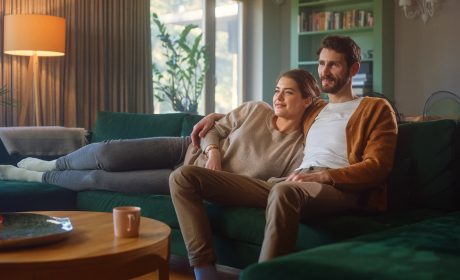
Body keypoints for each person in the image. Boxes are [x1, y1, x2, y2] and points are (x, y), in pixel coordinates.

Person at [169, 35, 398, 280]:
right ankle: (205, 272)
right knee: (183, 177)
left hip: (337, 187)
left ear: (354, 68)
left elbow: (377, 167)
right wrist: (217, 116)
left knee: (284, 191)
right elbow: (281, 108)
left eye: (334, 64)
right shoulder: (316, 108)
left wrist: (323, 176)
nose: (325, 71)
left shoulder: (375, 109)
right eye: (321, 63)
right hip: (290, 182)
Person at [0, 69, 320, 195]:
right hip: (185, 149)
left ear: (308, 99)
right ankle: (51, 164)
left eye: (288, 93)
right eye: (277, 90)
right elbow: (215, 130)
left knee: (99, 180)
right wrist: (214, 153)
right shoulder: (256, 110)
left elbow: (277, 184)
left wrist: (220, 178)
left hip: (189, 179)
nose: (277, 97)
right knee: (106, 152)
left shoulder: (300, 149)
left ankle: (33, 176)